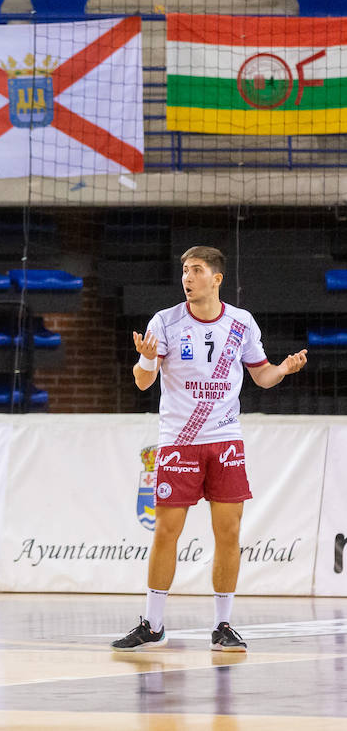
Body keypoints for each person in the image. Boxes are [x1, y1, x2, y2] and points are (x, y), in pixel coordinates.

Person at [111, 246, 307, 653]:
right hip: (179, 441)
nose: (188, 277)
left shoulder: (240, 322)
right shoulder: (165, 321)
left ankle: (222, 625)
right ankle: (153, 624)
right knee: (166, 532)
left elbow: (262, 376)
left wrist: (283, 370)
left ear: (216, 278)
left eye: (196, 270)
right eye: (184, 270)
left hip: (224, 439)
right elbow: (143, 383)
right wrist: (147, 361)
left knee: (229, 533)